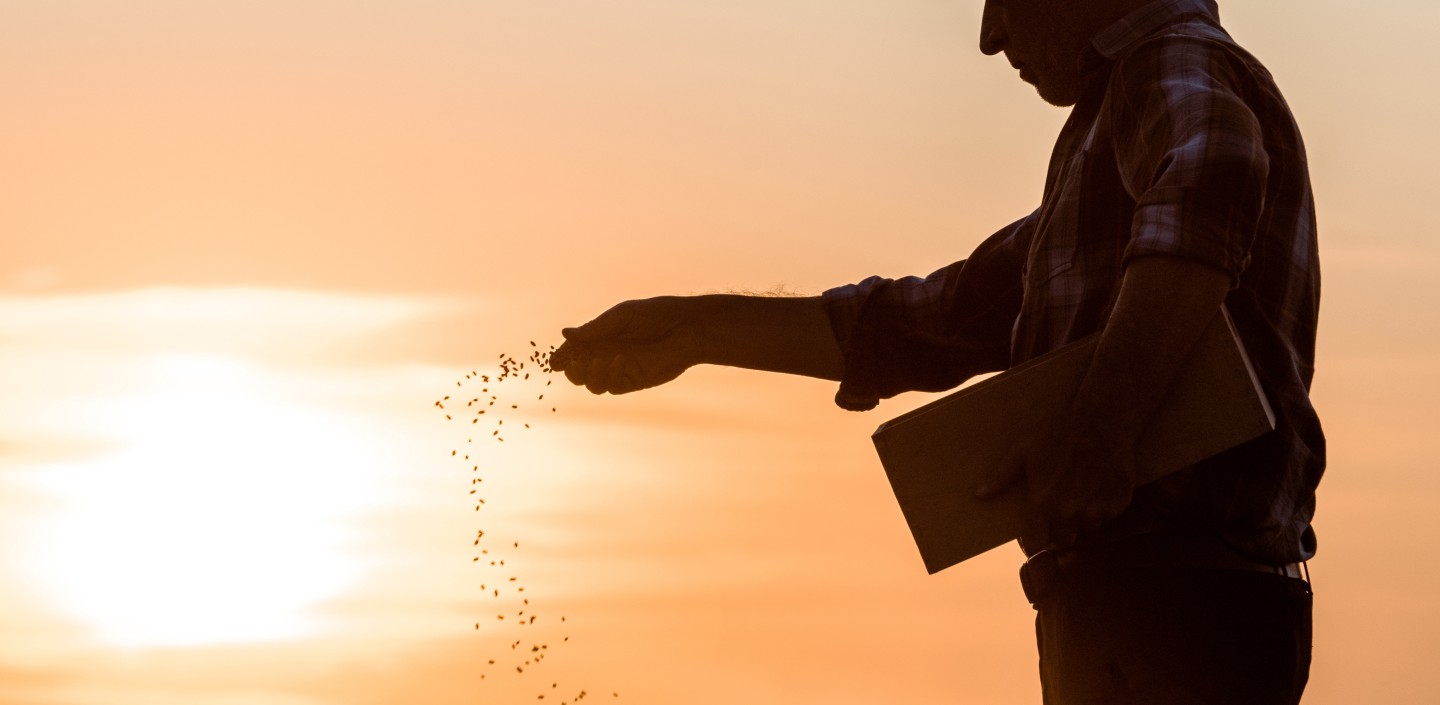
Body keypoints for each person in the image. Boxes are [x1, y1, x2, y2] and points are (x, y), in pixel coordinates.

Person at [550, 0, 1321, 702]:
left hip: (1182, 599)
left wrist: (1103, 429)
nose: (992, 37)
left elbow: (1217, 172)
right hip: (1133, 601)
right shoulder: (1101, 152)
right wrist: (692, 329)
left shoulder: (1170, 60)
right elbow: (928, 321)